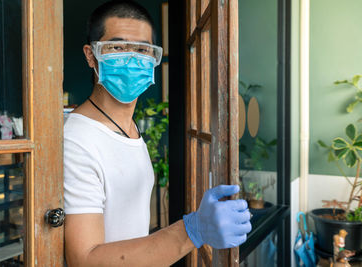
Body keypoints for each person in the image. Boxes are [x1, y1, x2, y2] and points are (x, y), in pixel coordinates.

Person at [63, 1, 252, 266]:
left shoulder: (129, 127)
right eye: (117, 47)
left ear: (154, 58)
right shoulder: (77, 139)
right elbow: (84, 259)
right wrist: (191, 231)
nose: (132, 58)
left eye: (142, 49)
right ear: (91, 54)